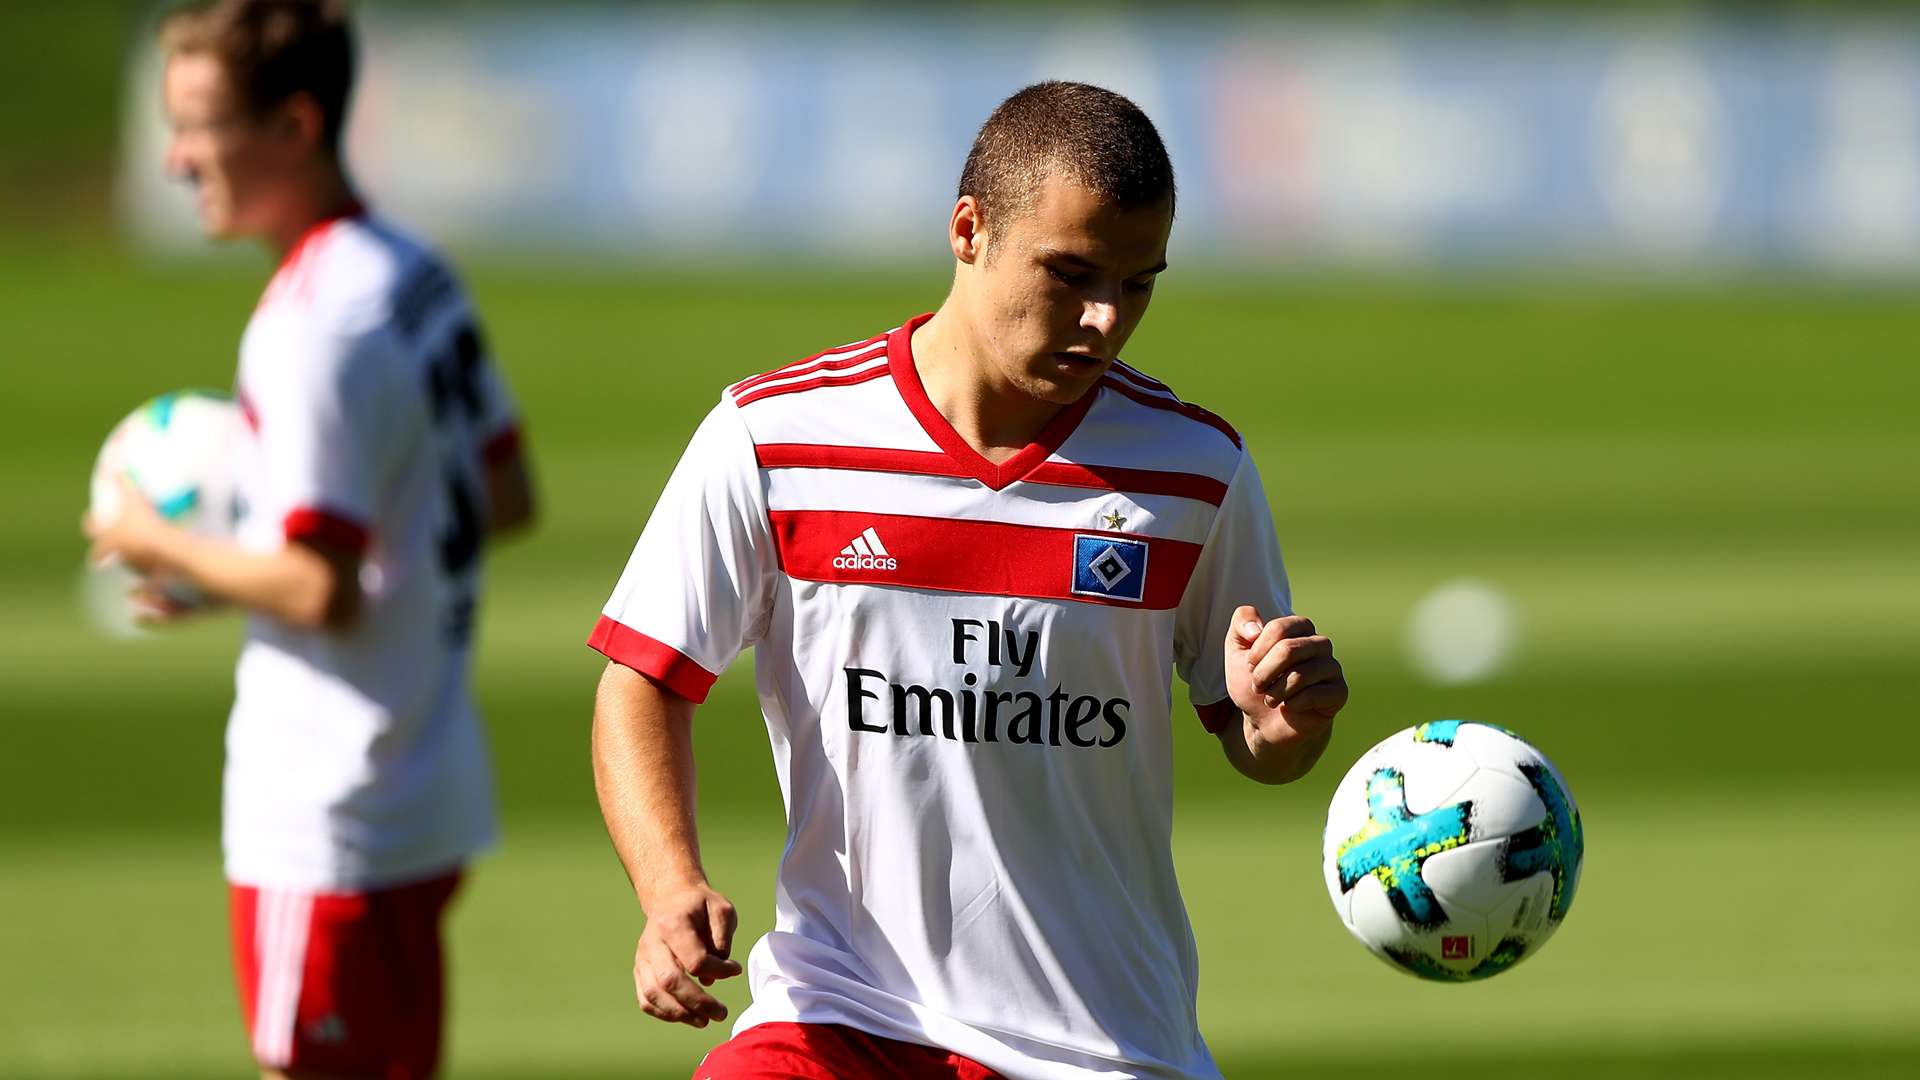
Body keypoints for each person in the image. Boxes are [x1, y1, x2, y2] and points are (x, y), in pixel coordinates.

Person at [588, 81, 1346, 1080]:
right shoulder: (777, 440)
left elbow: (1256, 739)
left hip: (1101, 1044)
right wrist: (667, 884)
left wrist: (1284, 731)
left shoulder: (1194, 470)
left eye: (1139, 282)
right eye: (1071, 273)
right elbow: (643, 674)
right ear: (968, 229)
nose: (1106, 318)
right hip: (838, 1012)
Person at [84, 2, 535, 1076]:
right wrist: (244, 563)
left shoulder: (309, 326)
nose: (175, 157)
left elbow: (317, 589)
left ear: (293, 126)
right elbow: (507, 493)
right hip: (425, 783)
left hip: (327, 811)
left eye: (198, 124)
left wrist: (160, 543)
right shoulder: (412, 269)